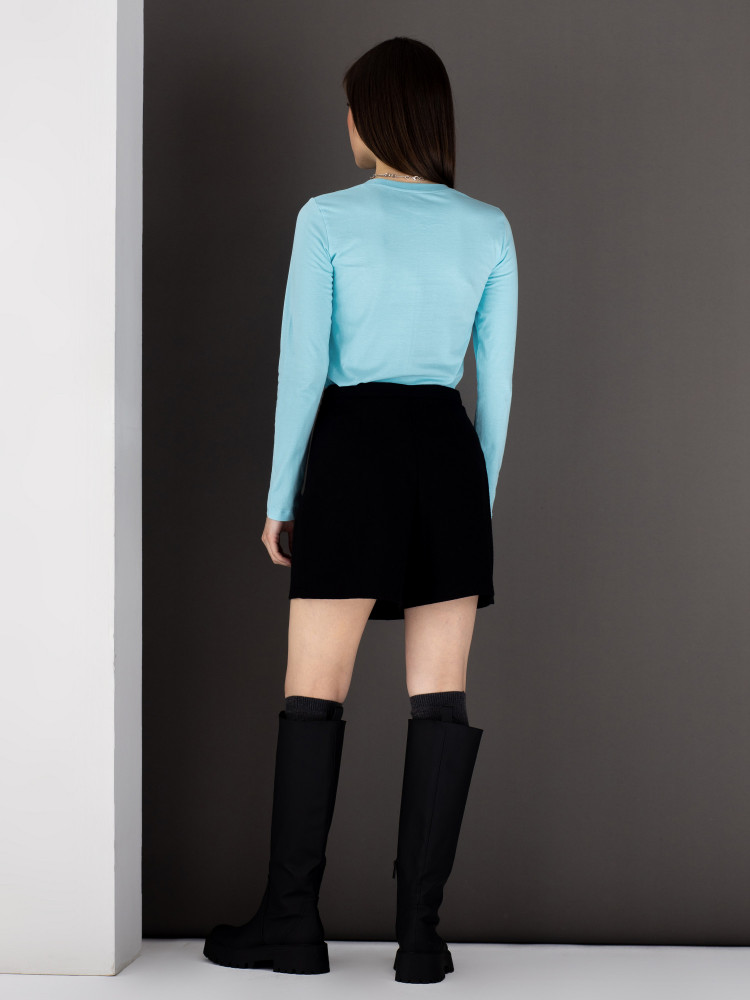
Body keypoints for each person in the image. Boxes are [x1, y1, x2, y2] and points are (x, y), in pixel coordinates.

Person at [204, 36, 518, 984]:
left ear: (372, 116)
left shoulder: (327, 217)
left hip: (353, 452)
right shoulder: (489, 227)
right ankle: (420, 936)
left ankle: (292, 925)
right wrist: (474, 507)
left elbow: (304, 369)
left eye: (352, 107)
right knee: (441, 696)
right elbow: (496, 389)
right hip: (447, 456)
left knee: (315, 690)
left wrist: (279, 499)